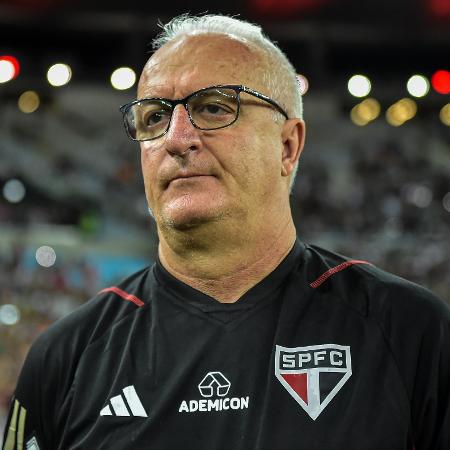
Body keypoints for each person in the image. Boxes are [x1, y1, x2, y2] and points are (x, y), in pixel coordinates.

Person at [2, 14, 449, 450]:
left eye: (213, 107)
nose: (176, 138)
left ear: (288, 146)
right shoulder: (65, 358)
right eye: (154, 117)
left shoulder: (412, 332)